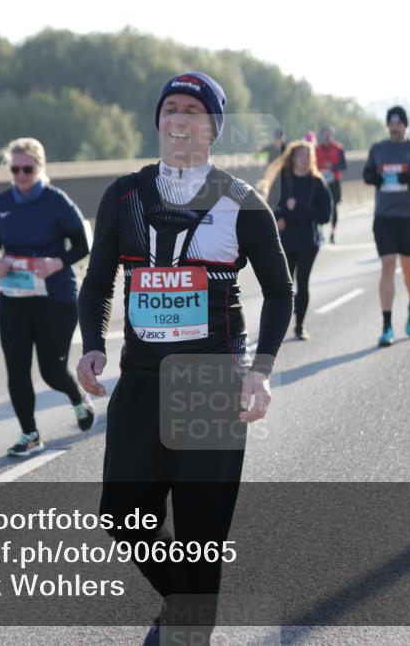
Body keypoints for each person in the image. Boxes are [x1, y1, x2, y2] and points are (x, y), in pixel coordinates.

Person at [76, 71, 293, 643]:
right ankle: (185, 602)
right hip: (142, 380)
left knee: (200, 533)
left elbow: (281, 291)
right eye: (170, 108)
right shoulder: (124, 195)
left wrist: (262, 373)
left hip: (210, 381)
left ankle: (188, 624)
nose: (178, 119)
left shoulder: (243, 203)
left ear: (212, 129)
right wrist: (93, 345)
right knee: (123, 515)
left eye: (192, 112)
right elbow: (97, 281)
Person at [0, 137, 94, 458]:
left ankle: (77, 397)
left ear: (40, 167)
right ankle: (29, 434)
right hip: (14, 298)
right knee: (17, 369)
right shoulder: (1, 203)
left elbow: (83, 244)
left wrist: (57, 262)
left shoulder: (57, 202)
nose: (20, 175)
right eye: (14, 168)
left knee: (51, 370)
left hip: (55, 298)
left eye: (26, 169)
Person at [363, 106, 410, 347]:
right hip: (384, 217)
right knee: (388, 265)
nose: (395, 128)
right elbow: (366, 174)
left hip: (409, 217)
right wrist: (374, 178)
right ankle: (387, 326)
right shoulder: (378, 149)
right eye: (391, 124)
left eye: (399, 124)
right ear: (388, 126)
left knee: (408, 267)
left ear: (406, 126)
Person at [260, 139, 333, 339]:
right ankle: (281, 321)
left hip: (309, 242)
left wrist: (300, 206)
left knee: (303, 282)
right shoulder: (283, 179)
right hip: (285, 241)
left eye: (308, 155)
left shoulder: (317, 183)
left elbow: (325, 215)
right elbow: (269, 206)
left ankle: (299, 326)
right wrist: (278, 217)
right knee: (285, 286)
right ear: (292, 157)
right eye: (300, 155)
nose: (304, 159)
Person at [315, 125, 348, 243]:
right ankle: (320, 232)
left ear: (332, 135)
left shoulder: (339, 148)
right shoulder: (316, 149)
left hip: (334, 182)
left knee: (334, 208)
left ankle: (333, 232)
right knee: (319, 206)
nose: (327, 136)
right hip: (320, 183)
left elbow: (344, 165)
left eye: (329, 134)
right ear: (321, 135)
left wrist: (333, 166)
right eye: (324, 134)